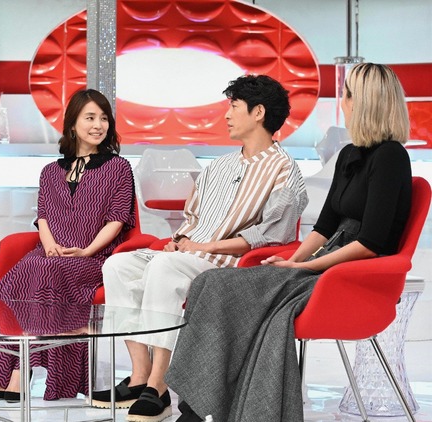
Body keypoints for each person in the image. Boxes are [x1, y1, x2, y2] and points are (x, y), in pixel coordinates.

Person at [167, 62, 413, 422]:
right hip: (325, 263)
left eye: (347, 95)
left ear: (366, 102)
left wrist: (303, 266)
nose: (342, 102)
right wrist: (293, 260)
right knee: (208, 282)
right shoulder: (350, 155)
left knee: (220, 286)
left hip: (353, 275)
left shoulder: (391, 157)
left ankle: (199, 409)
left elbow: (371, 243)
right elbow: (324, 227)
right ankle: (202, 402)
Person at [93, 74, 308, 421]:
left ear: (258, 113)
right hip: (190, 253)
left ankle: (159, 386)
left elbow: (271, 236)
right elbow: (192, 218)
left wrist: (203, 245)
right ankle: (140, 375)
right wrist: (178, 242)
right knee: (119, 266)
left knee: (164, 269)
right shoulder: (218, 166)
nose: (227, 115)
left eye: (234, 107)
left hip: (229, 265)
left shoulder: (284, 170)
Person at [0, 89, 136, 401]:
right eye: (90, 118)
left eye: (104, 118)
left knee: (46, 273)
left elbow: (118, 219)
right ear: (73, 124)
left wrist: (87, 250)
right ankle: (5, 374)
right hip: (51, 252)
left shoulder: (118, 168)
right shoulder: (50, 171)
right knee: (8, 287)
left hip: (93, 256)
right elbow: (43, 217)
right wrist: (50, 244)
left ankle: (20, 370)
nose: (98, 125)